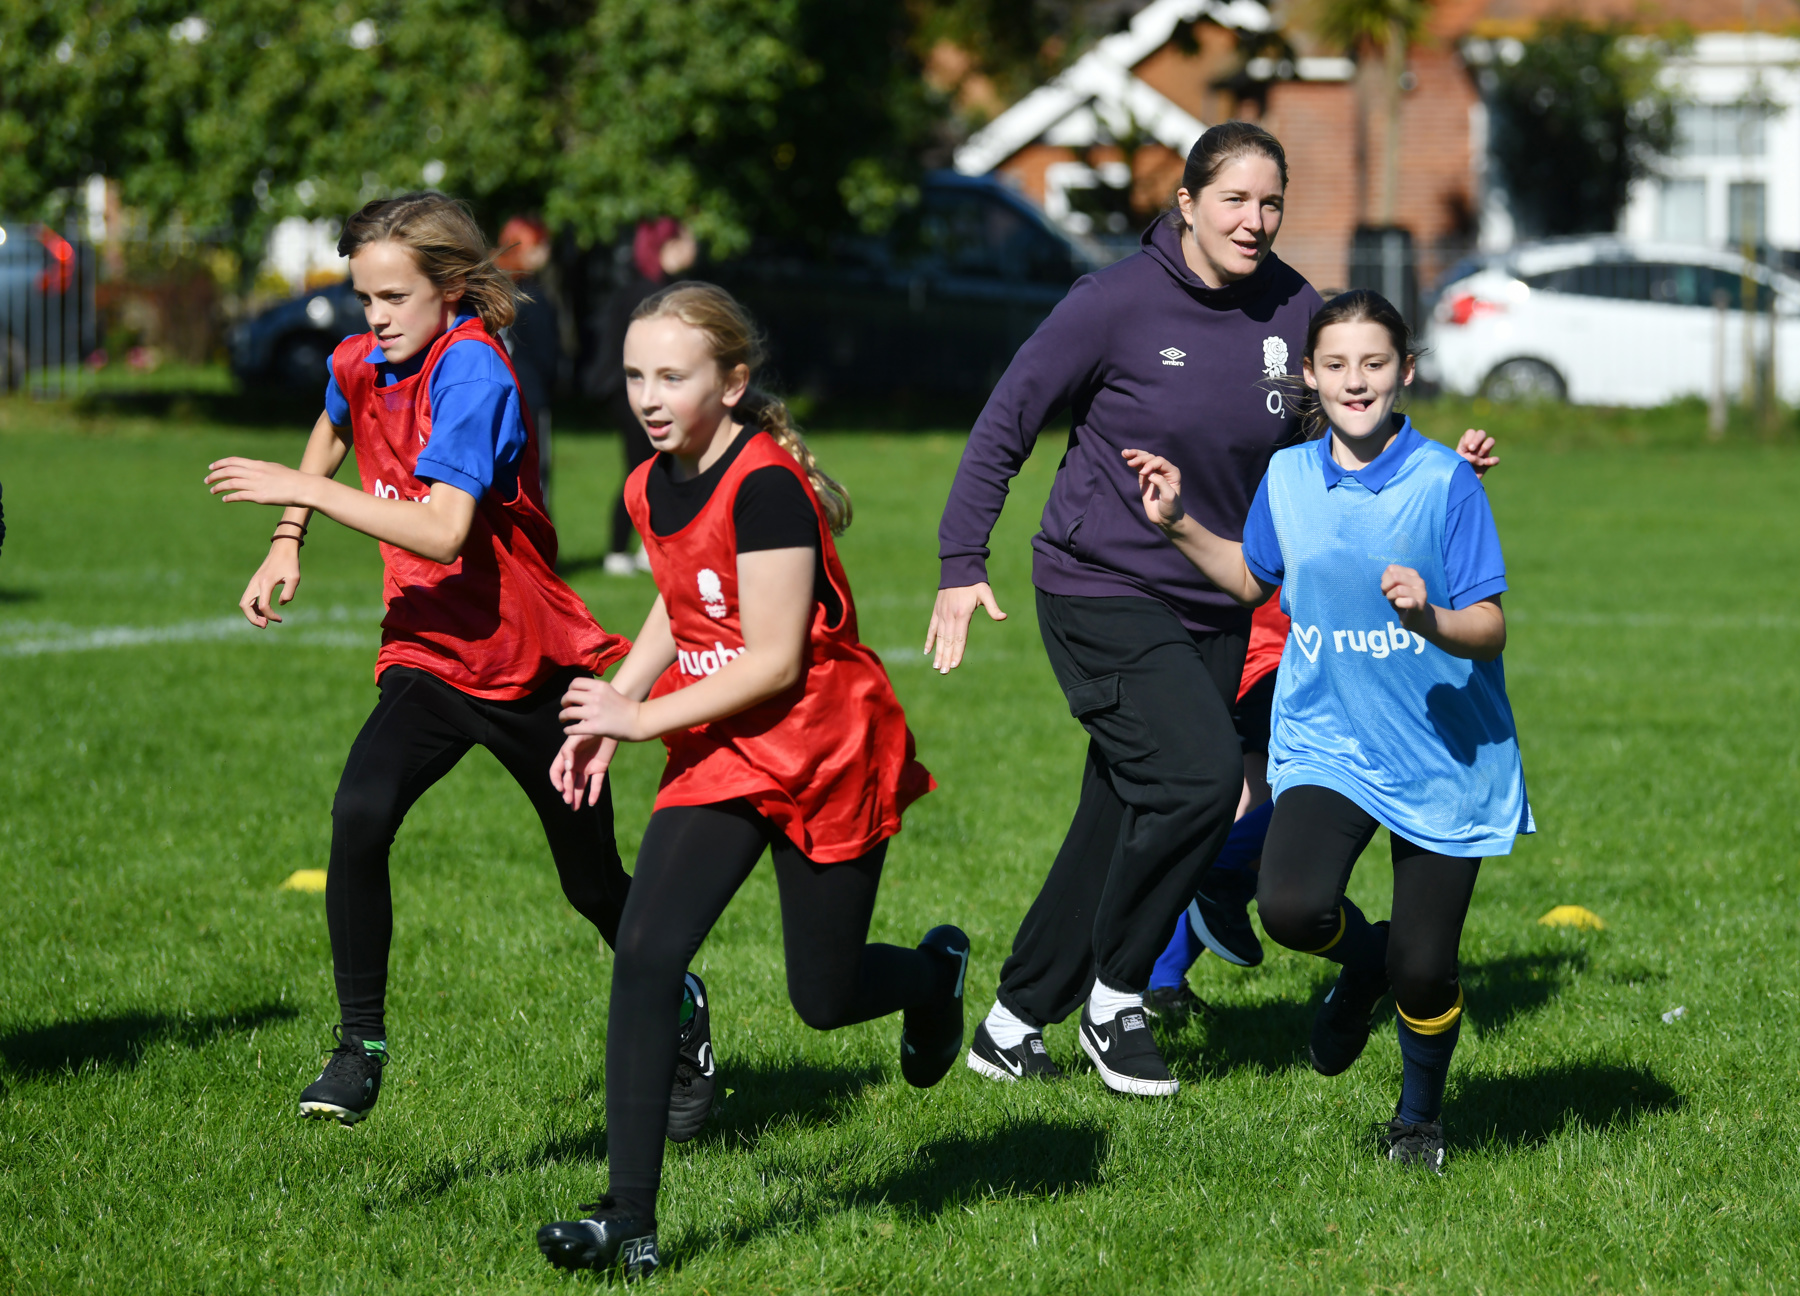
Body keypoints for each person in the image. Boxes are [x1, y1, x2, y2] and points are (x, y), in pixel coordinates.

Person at [204, 193, 712, 1134]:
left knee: (593, 888)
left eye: (394, 297)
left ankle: (681, 1005)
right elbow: (336, 414)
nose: (376, 318)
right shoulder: (364, 356)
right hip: (430, 650)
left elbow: (443, 530)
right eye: (364, 298)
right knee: (360, 809)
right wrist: (289, 536)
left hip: (530, 662)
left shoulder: (474, 369)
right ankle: (362, 1046)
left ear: (451, 287)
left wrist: (301, 488)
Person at [535, 283, 965, 1279]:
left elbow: (772, 659)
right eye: (637, 374)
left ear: (732, 383)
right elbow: (680, 603)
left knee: (825, 995)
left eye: (672, 376)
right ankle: (627, 1222)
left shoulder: (768, 486)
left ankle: (933, 977)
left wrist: (637, 718)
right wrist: (615, 705)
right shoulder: (650, 482)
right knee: (645, 955)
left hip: (822, 746)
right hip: (724, 745)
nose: (648, 394)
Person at [928, 122, 1318, 1097]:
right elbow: (1008, 421)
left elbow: (1344, 424)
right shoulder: (1113, 304)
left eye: (1270, 202)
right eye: (1234, 199)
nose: (1254, 220)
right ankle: (1118, 997)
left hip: (1219, 593)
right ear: (1186, 203)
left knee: (1119, 811)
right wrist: (958, 561)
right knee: (1196, 779)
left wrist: (1425, 466)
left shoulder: (1296, 309)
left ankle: (1013, 1024)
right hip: (1098, 585)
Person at [1124, 289, 1532, 1173]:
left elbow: (1491, 625)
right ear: (1310, 375)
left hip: (1442, 752)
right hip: (1329, 739)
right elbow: (1249, 576)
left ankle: (1418, 1121)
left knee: (1430, 972)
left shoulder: (1445, 481)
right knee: (1292, 908)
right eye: (1337, 365)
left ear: (1406, 372)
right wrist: (1176, 522)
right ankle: (1366, 960)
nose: (1357, 382)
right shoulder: (1289, 477)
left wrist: (1430, 619)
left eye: (1375, 364)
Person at [1145, 430, 1500, 1019]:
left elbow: (1387, 516)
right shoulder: (1294, 468)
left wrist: (1444, 482)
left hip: (1311, 671)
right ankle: (1194, 916)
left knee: (1251, 810)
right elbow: (1305, 546)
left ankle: (1161, 970)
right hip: (1286, 668)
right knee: (1290, 808)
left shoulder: (1366, 456)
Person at [589, 218, 699, 576]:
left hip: (635, 391)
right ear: (665, 247)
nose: (692, 248)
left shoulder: (657, 289)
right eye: (685, 240)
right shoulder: (646, 295)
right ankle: (619, 549)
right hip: (629, 394)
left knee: (659, 469)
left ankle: (646, 548)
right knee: (642, 470)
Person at [496, 215, 562, 510]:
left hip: (498, 393)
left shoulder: (495, 293)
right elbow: (547, 353)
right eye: (540, 245)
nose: (546, 252)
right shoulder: (532, 296)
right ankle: (538, 550)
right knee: (536, 475)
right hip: (530, 394)